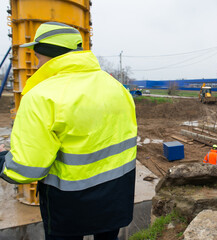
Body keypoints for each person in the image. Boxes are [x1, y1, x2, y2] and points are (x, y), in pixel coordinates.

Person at [0, 22, 137, 240]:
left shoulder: (41, 96)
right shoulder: (117, 88)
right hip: (116, 197)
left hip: (69, 205)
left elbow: (26, 169)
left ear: (46, 52)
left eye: (37, 56)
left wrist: (3, 161)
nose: (37, 63)